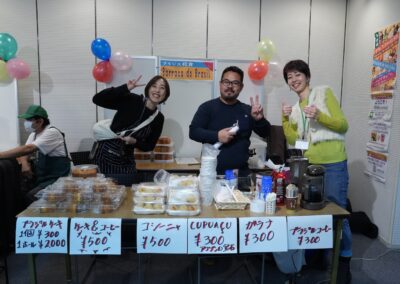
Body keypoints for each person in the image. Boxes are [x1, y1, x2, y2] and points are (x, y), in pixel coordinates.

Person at [281, 59, 352, 283]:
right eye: (289, 77)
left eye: (297, 75)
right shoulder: (295, 108)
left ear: (307, 77)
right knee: (314, 212)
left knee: (338, 214)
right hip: (310, 165)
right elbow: (293, 139)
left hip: (333, 163)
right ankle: (318, 258)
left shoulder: (324, 93)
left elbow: (343, 125)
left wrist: (319, 116)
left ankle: (343, 262)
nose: (294, 80)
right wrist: (285, 118)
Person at [189, 66, 271, 177]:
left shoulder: (247, 110)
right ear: (220, 84)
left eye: (235, 83)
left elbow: (266, 132)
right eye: (226, 82)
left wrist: (259, 119)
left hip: (241, 175)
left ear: (241, 87)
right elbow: (193, 132)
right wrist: (217, 135)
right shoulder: (207, 107)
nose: (230, 86)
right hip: (212, 174)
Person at [91, 75, 170, 185]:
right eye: (154, 86)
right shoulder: (132, 100)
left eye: (162, 88)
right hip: (105, 155)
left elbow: (149, 146)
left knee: (127, 193)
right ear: (148, 89)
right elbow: (97, 99)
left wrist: (134, 141)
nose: (157, 90)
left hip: (127, 160)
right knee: (105, 193)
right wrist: (125, 88)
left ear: (165, 94)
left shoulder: (159, 118)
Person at [0, 104, 71, 204]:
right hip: (43, 177)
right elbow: (24, 152)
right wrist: (25, 164)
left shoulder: (52, 132)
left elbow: (28, 148)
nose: (26, 123)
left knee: (32, 196)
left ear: (40, 121)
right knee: (20, 193)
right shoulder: (34, 134)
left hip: (58, 179)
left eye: (29, 120)